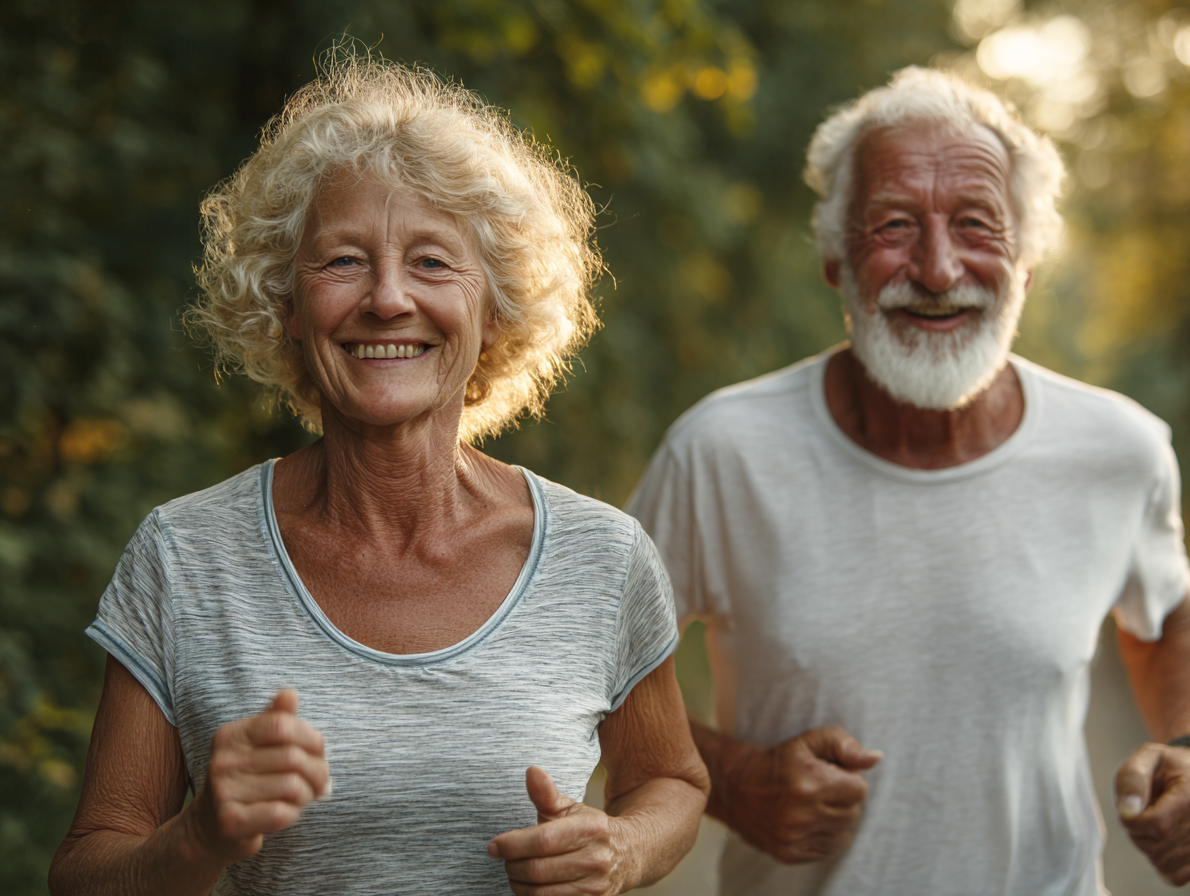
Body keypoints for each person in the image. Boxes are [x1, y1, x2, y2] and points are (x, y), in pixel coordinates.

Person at [49, 56, 709, 896]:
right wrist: (199, 836)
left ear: (494, 307)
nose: (388, 298)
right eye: (343, 262)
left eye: (433, 262)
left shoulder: (600, 557)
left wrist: (622, 849)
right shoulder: (185, 559)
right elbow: (82, 873)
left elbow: (673, 783)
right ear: (284, 304)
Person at [627, 67, 1190, 895]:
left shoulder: (1120, 449)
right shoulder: (722, 452)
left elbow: (1174, 619)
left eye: (976, 224)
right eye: (893, 225)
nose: (939, 268)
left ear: (1026, 264)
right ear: (835, 260)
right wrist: (731, 779)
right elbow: (591, 671)